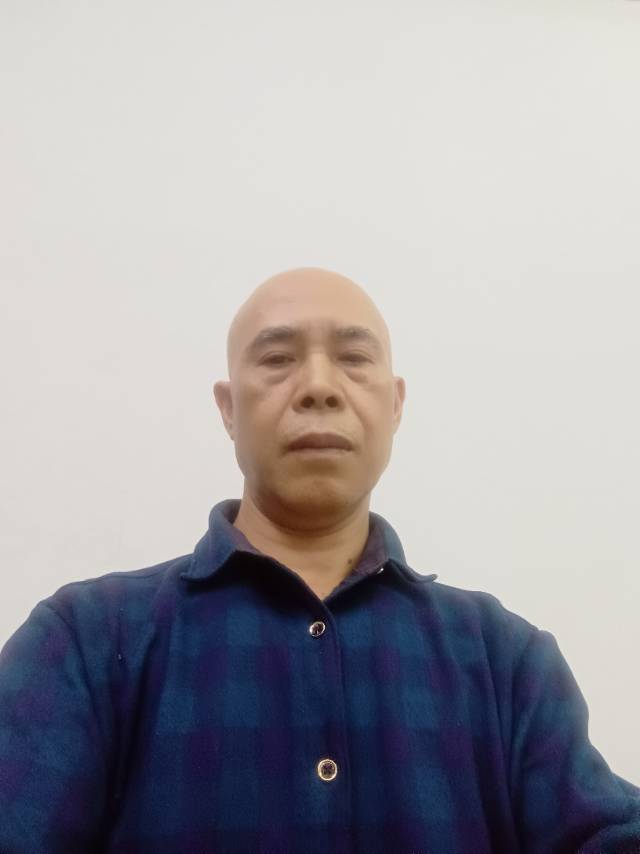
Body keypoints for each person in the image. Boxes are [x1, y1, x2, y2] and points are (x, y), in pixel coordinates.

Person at [1, 267, 638, 854]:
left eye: (354, 359)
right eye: (278, 359)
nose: (318, 387)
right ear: (228, 408)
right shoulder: (84, 641)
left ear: (395, 405)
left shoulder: (507, 661)